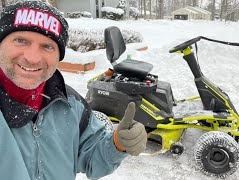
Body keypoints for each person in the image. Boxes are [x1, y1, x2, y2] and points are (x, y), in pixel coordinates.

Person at [0, 1, 147, 180]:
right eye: (20, 41)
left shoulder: (70, 103)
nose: (32, 58)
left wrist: (116, 144)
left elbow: (92, 157)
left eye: (47, 46)